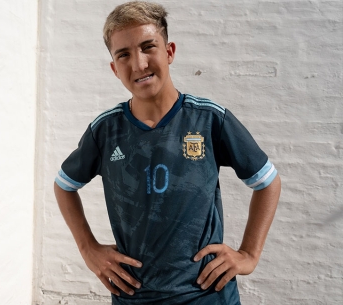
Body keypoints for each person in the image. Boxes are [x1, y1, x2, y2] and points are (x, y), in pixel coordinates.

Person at [54, 1, 281, 304]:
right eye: (124, 54)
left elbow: (267, 182)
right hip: (134, 295)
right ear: (114, 68)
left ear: (169, 51)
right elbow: (64, 186)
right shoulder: (105, 131)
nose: (139, 64)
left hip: (207, 295)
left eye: (148, 47)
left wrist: (249, 254)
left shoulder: (209, 120)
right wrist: (88, 248)